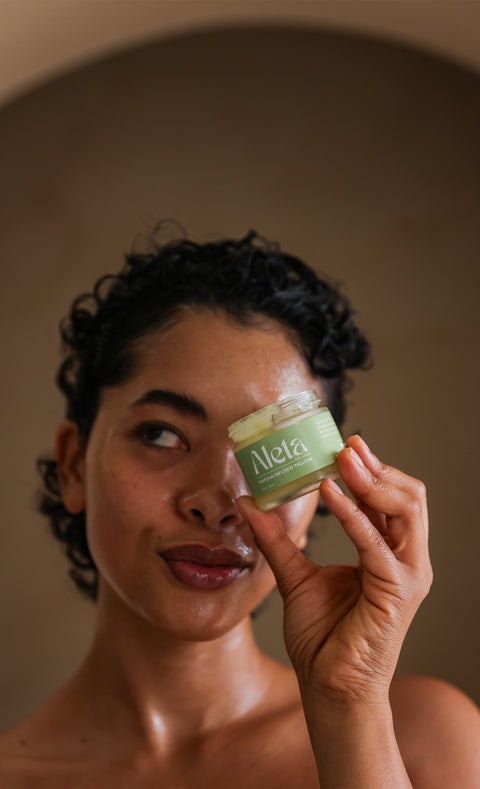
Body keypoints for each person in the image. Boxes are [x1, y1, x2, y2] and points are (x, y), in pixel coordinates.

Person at [0, 227, 479, 789]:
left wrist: (348, 706)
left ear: (321, 485)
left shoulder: (428, 740)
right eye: (161, 434)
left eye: (273, 453)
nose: (219, 503)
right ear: (74, 467)